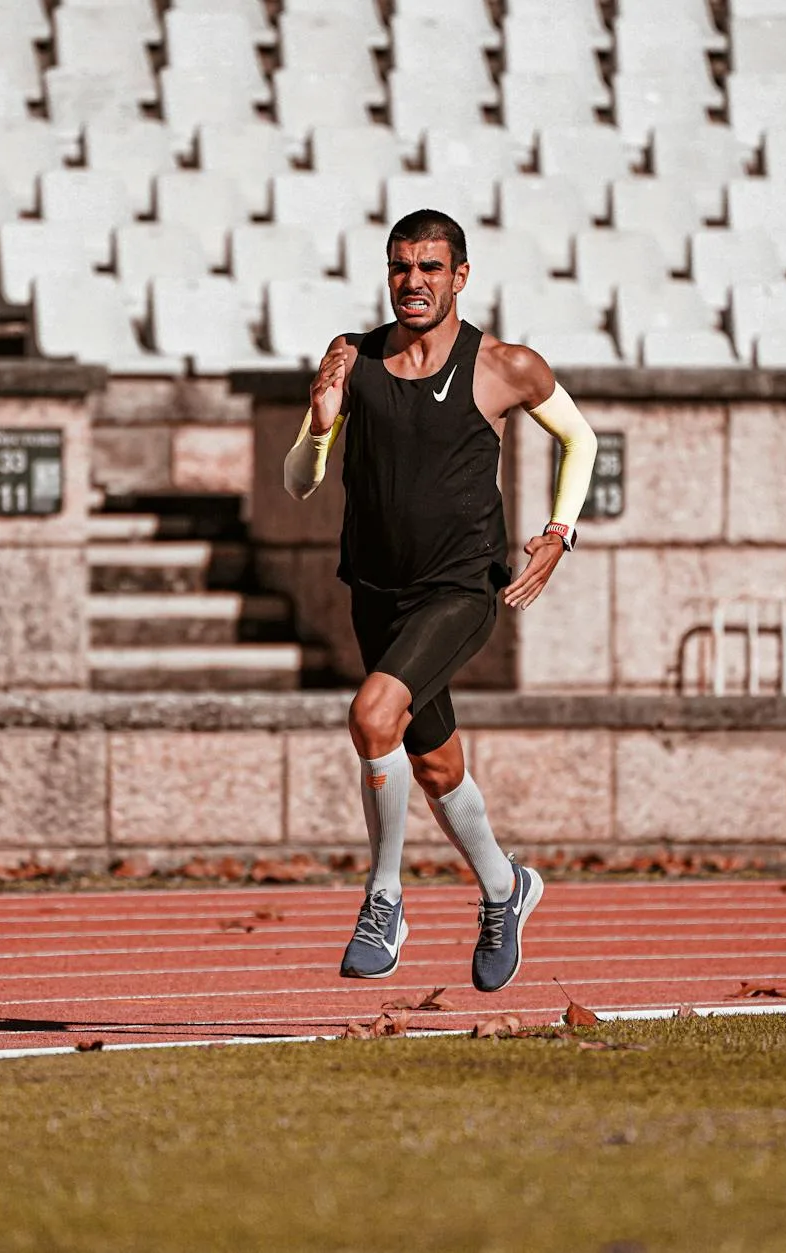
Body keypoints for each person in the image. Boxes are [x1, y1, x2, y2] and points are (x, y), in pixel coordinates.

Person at [282, 208, 599, 994]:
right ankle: (506, 887)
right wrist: (320, 429)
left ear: (460, 275)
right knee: (431, 761)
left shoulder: (503, 365)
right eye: (400, 267)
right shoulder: (350, 359)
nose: (413, 283)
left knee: (371, 716)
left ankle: (384, 898)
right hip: (375, 590)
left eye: (430, 268)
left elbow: (580, 440)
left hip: (460, 589)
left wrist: (560, 531)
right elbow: (298, 481)